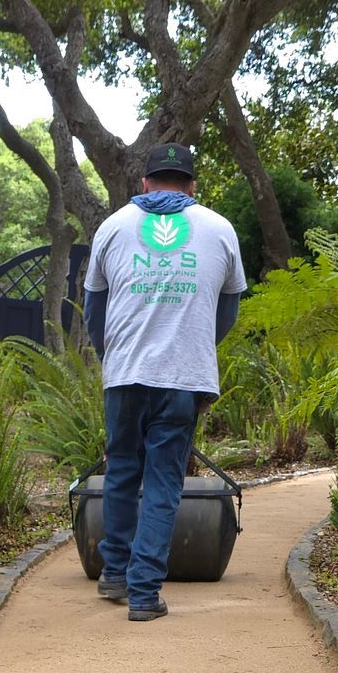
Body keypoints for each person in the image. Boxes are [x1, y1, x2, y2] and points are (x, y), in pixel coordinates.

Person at [81, 144, 246, 620]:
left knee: (122, 470)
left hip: (124, 375)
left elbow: (95, 310)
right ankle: (144, 593)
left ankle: (114, 574)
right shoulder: (219, 230)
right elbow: (229, 307)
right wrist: (196, 344)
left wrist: (111, 356)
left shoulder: (112, 227)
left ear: (145, 183)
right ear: (192, 185)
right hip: (181, 378)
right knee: (162, 482)